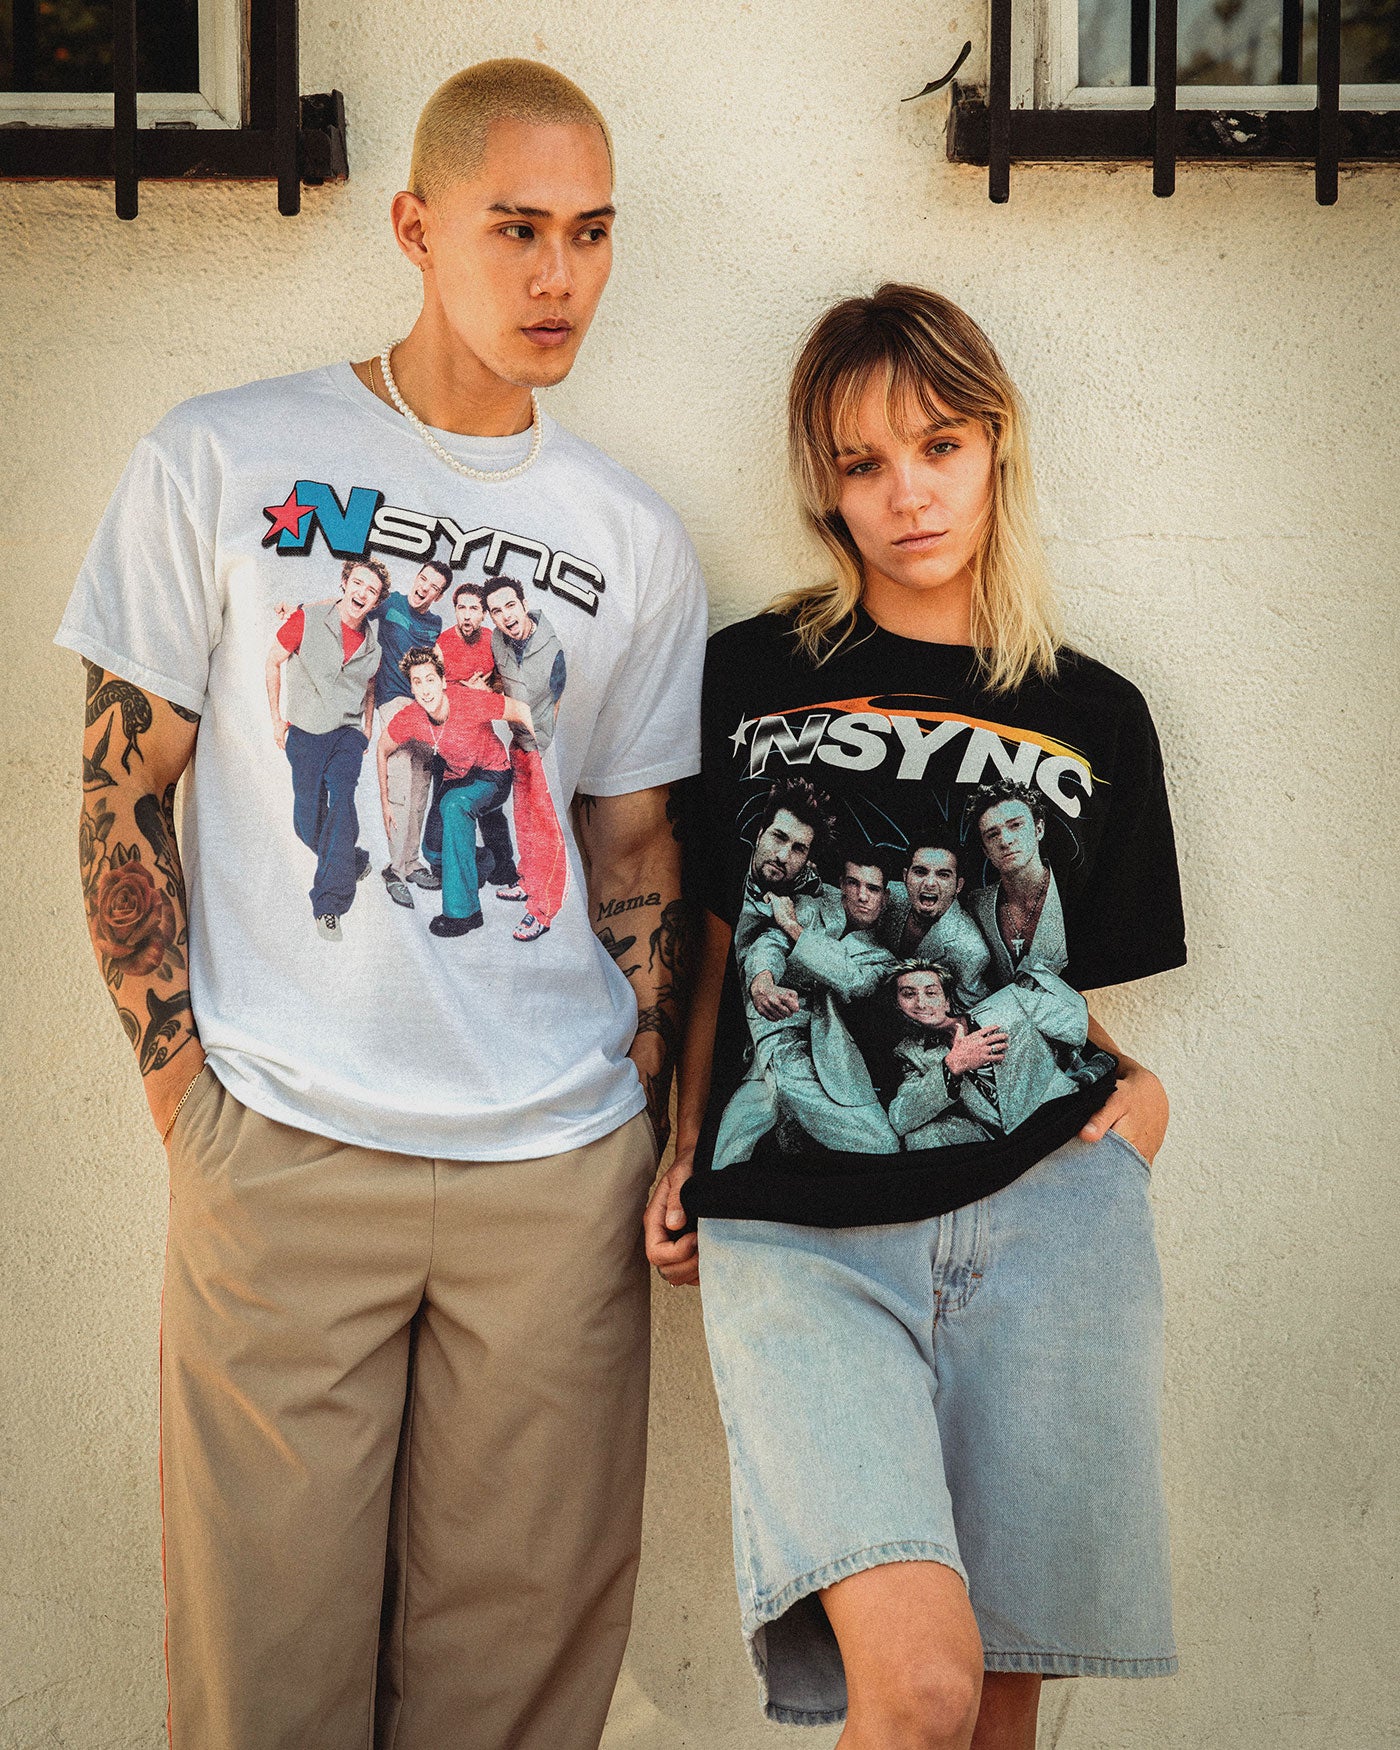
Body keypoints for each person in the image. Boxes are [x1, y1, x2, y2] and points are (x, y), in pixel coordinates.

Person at [60, 57, 708, 1750]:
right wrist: (183, 1092)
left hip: (553, 1175)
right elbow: (123, 786)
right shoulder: (221, 457)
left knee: (513, 1699)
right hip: (285, 1148)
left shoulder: (632, 538)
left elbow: (638, 847)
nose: (560, 275)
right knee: (263, 1691)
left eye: (591, 233)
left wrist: (638, 1103)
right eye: (517, 228)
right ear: (417, 229)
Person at [648, 285, 1186, 1750]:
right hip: (801, 1225)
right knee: (921, 1686)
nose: (907, 493)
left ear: (995, 443)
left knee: (995, 1715)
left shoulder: (1098, 713)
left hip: (1044, 1221)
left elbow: (1058, 985)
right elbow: (713, 935)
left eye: (939, 445)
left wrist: (1136, 1102)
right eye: (863, 462)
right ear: (825, 485)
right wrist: (683, 1139)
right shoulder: (748, 676)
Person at [264, 556, 388, 939]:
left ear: (376, 601)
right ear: (345, 583)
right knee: (305, 824)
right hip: (305, 733)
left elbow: (370, 685)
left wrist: (367, 728)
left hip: (346, 735)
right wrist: (276, 720)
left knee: (343, 798)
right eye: (358, 583)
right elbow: (273, 662)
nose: (363, 592)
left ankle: (329, 904)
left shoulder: (374, 648)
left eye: (372, 590)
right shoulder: (306, 620)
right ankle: (353, 860)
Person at [376, 645, 532, 936]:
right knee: (433, 852)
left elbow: (521, 711)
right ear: (411, 688)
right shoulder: (411, 717)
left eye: (430, 679)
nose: (425, 689)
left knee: (454, 806)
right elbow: (382, 748)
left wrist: (537, 754)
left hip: (492, 775)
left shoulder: (469, 700)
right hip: (457, 777)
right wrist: (385, 802)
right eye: (417, 682)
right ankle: (486, 861)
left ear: (443, 682)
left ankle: (464, 913)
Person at [484, 574, 570, 939]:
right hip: (517, 743)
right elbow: (500, 681)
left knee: (546, 830)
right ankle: (528, 882)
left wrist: (546, 752)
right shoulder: (496, 639)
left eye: (510, 606)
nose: (506, 616)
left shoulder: (552, 650)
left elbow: (559, 702)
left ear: (524, 604)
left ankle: (543, 910)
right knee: (524, 821)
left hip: (543, 750)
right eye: (496, 611)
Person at [879, 831, 992, 1007]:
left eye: (943, 875)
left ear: (958, 886)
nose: (930, 883)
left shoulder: (970, 950)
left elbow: (968, 1011)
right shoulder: (887, 896)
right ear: (905, 877)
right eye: (920, 872)